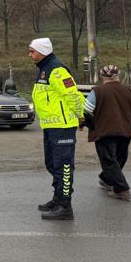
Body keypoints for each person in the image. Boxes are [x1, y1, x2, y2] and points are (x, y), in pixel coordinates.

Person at [28, 38, 84, 221]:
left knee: (64, 166)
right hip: (50, 126)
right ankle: (57, 198)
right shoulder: (44, 69)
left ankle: (65, 206)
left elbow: (73, 96)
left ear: (42, 51)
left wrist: (82, 117)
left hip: (63, 126)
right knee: (52, 164)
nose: (30, 55)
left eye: (32, 51)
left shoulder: (57, 70)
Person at [83, 65, 131, 201]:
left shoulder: (97, 91)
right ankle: (106, 179)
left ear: (102, 77)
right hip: (125, 131)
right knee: (119, 158)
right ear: (119, 76)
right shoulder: (129, 91)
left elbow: (86, 110)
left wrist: (88, 125)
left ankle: (122, 190)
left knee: (109, 161)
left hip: (104, 131)